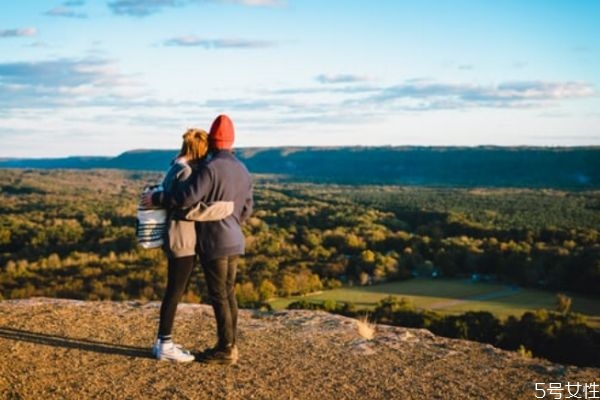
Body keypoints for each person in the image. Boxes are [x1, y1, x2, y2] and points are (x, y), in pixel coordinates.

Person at [142, 114, 253, 365]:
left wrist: (158, 198)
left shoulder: (210, 168)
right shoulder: (243, 169)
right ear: (232, 140)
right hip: (234, 237)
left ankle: (225, 349)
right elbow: (247, 208)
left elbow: (185, 198)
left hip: (214, 240)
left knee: (219, 295)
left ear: (213, 140)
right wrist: (232, 221)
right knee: (229, 293)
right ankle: (230, 344)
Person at [150, 128, 209, 363]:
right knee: (174, 291)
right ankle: (165, 343)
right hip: (182, 239)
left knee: (173, 289)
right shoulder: (186, 171)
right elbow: (184, 204)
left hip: (174, 237)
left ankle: (162, 341)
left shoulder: (175, 166)